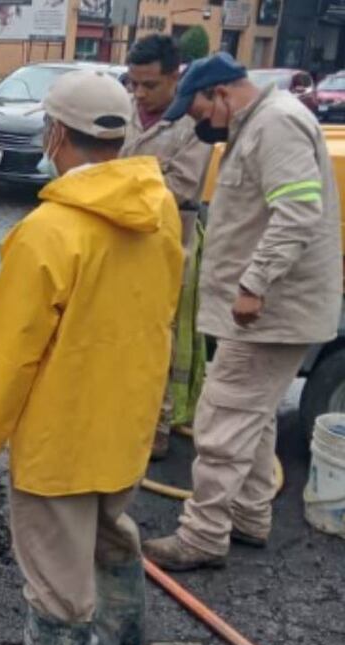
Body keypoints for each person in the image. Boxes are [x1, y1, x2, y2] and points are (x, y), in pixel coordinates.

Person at [0, 70, 183, 645]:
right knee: (112, 541)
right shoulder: (159, 208)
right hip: (124, 430)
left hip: (58, 446)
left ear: (55, 134)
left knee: (59, 592)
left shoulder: (49, 231)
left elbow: (8, 358)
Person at [143, 54, 342, 570]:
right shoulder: (258, 124)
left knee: (222, 419)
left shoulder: (275, 125)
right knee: (252, 417)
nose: (199, 125)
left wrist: (254, 284)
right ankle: (250, 515)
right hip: (270, 312)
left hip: (270, 313)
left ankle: (203, 535)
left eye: (199, 112)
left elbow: (297, 212)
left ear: (222, 95)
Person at [121, 34, 214, 460]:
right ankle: (117, 409)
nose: (139, 93)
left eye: (150, 85)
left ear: (176, 77)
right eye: (133, 83)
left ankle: (157, 424)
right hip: (118, 240)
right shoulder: (123, 107)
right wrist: (147, 173)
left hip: (167, 243)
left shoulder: (193, 124)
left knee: (160, 337)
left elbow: (180, 187)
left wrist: (123, 180)